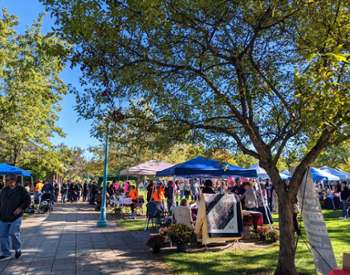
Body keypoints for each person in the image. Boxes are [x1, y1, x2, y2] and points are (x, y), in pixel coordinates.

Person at [0, 175, 31, 260]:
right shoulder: (4, 190)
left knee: (13, 233)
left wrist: (20, 208)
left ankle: (17, 248)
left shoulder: (21, 189)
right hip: (3, 216)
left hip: (15, 216)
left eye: (11, 179)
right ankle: (6, 253)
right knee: (2, 235)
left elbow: (28, 201)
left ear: (15, 180)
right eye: (7, 180)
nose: (9, 181)